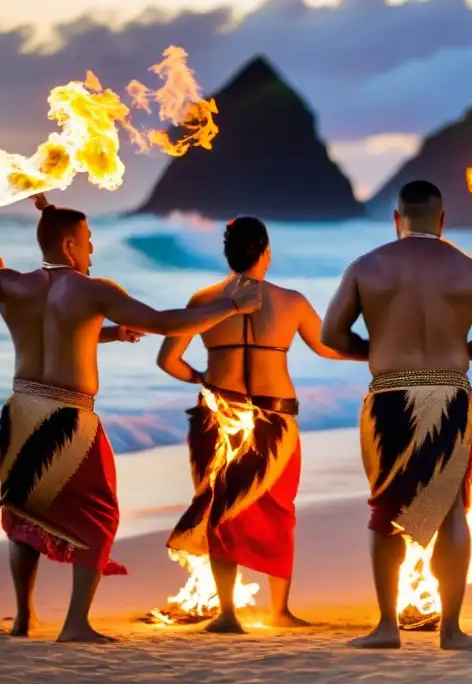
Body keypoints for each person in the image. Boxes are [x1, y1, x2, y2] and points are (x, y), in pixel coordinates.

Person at [0, 197, 261, 643]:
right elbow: (165, 322)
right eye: (87, 241)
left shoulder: (9, 283)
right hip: (69, 419)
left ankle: (24, 619)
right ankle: (76, 624)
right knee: (100, 515)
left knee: (26, 512)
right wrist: (232, 306)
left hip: (22, 410)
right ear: (68, 245)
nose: (92, 251)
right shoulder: (93, 289)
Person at [321, 179, 472, 651]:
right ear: (443, 220)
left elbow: (332, 335)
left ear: (397, 219)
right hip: (451, 393)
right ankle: (451, 630)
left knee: (386, 506)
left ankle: (387, 626)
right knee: (452, 509)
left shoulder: (368, 267)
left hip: (389, 394)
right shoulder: (470, 271)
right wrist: (461, 352)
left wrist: (377, 350)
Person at [157, 216, 355, 634]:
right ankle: (279, 610)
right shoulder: (292, 301)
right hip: (276, 420)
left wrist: (201, 378)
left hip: (219, 416)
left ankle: (227, 613)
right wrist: (382, 349)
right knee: (279, 510)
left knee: (221, 511)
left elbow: (167, 361)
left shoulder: (203, 301)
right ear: (265, 251)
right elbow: (329, 349)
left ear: (228, 254)